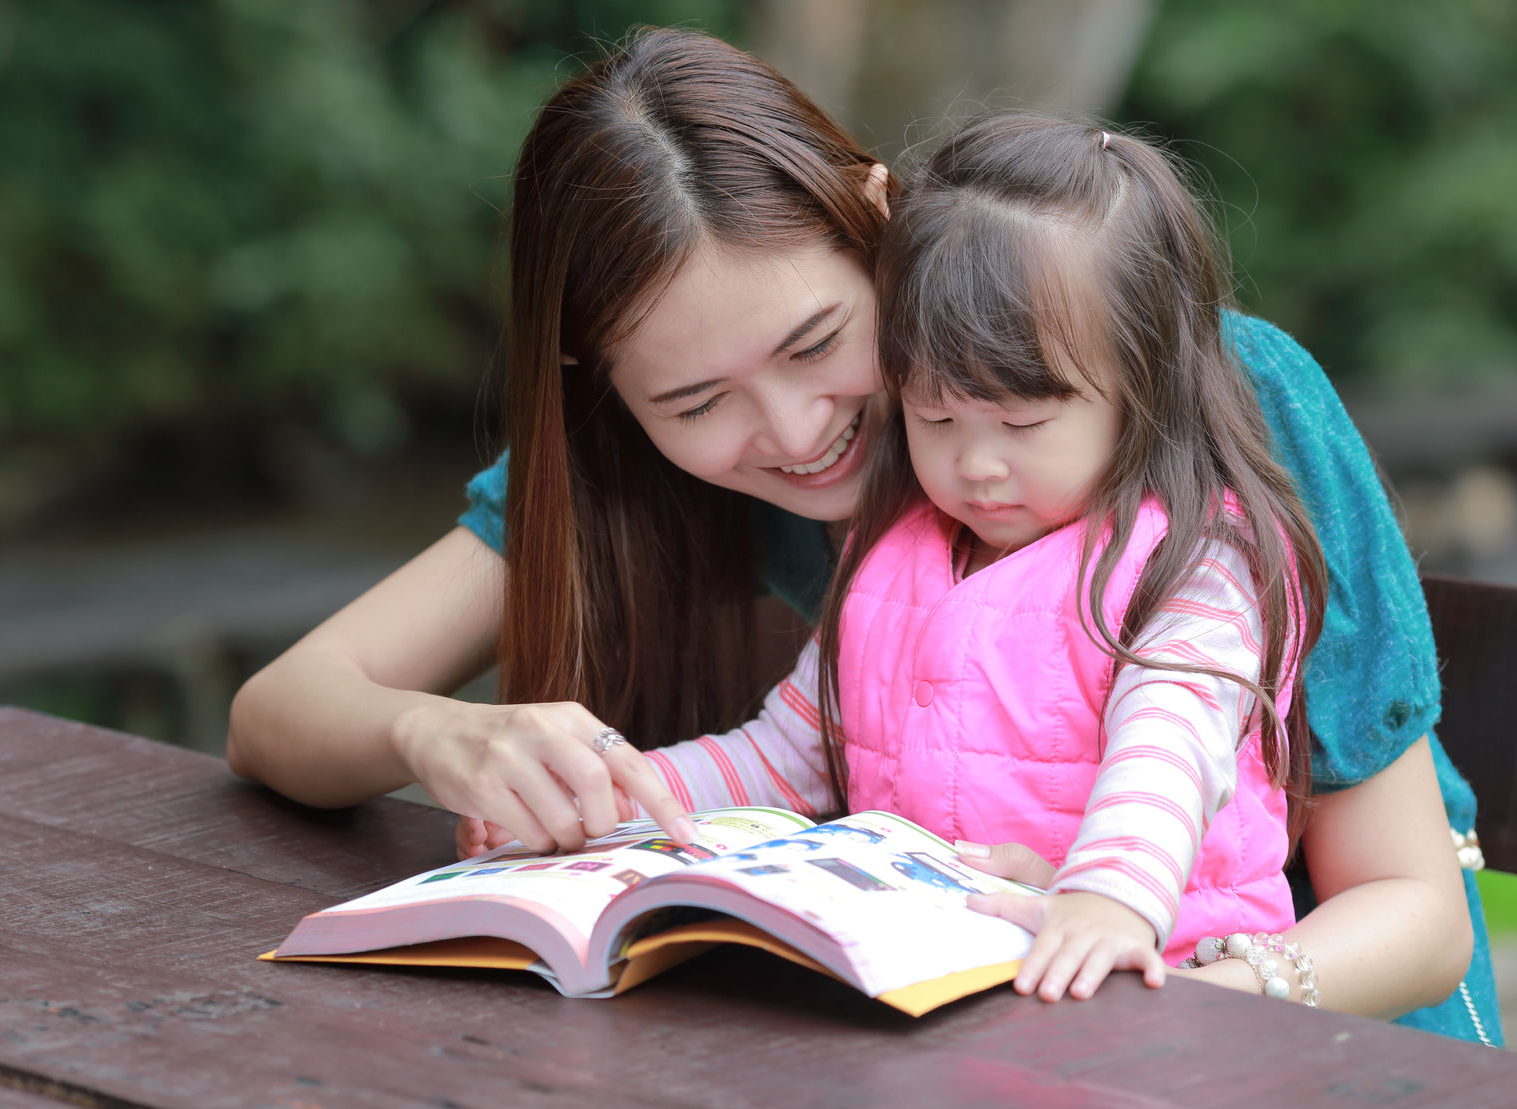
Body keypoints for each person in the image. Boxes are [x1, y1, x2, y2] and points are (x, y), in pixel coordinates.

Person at [226, 28, 1497, 1043]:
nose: (791, 432)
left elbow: (1415, 915)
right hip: (962, 1038)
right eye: (693, 401)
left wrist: (1188, 989)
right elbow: (282, 711)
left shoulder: (1201, 409)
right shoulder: (647, 466)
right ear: (603, 385)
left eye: (817, 344)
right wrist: (434, 732)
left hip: (1306, 1038)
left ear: (879, 223)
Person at [556, 109, 1327, 1001]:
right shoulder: (892, 554)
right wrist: (620, 794)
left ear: (1141, 388)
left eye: (1023, 421)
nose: (977, 463)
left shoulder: (1186, 558)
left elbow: (1171, 741)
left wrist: (1110, 898)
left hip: (1159, 978)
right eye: (935, 416)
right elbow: (787, 751)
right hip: (958, 986)